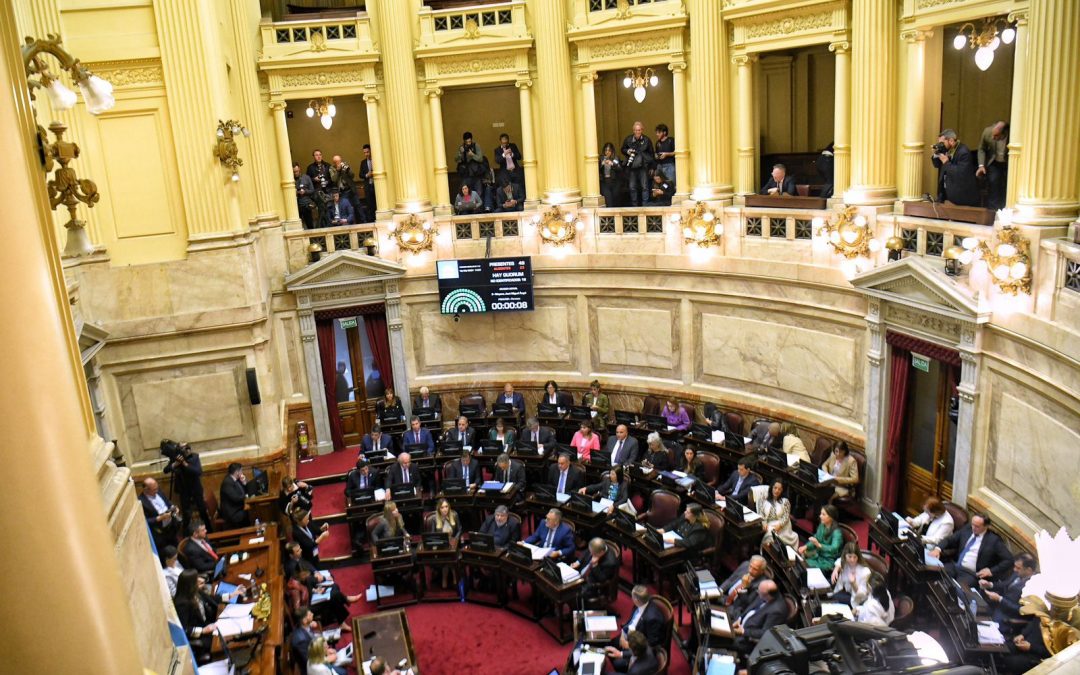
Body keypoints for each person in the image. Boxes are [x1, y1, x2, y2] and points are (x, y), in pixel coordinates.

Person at [929, 513, 1013, 586]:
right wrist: (938, 549)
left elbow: (1009, 560)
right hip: (955, 566)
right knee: (933, 575)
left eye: (977, 526)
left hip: (970, 574)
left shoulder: (993, 540)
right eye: (973, 524)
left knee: (958, 591)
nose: (973, 528)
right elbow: (950, 539)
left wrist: (991, 571)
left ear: (986, 526)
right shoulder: (968, 529)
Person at [162, 440, 211, 533]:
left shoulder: (194, 457)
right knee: (186, 514)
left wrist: (184, 463)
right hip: (184, 490)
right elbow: (165, 470)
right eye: (182, 448)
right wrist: (175, 464)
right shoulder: (175, 459)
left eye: (186, 447)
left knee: (202, 511)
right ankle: (187, 534)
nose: (186, 450)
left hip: (196, 489)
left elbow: (198, 472)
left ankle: (210, 531)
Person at [173, 568, 219, 661]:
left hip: (209, 624)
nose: (200, 580)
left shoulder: (195, 591)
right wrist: (203, 630)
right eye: (196, 579)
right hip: (202, 634)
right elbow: (184, 629)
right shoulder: (182, 604)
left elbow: (212, 599)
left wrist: (231, 595)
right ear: (190, 584)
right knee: (221, 642)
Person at [980, 552, 1036, 628]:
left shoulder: (1033, 586)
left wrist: (1000, 599)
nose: (1014, 569)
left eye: (1018, 568)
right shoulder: (1018, 573)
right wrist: (990, 584)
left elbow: (1021, 610)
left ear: (1029, 570)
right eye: (1015, 566)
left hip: (1008, 617)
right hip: (997, 606)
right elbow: (1006, 584)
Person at [731, 580, 787, 654]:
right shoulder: (765, 594)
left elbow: (765, 633)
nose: (757, 592)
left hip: (747, 641)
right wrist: (740, 619)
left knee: (719, 639)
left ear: (767, 595)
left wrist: (743, 631)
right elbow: (750, 608)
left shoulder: (777, 611)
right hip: (739, 626)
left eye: (759, 592)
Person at [932, 129, 979, 206]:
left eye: (942, 143)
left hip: (960, 194)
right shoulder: (946, 149)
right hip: (945, 190)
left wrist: (946, 162)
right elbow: (937, 165)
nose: (941, 145)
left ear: (951, 141)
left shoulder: (964, 152)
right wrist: (936, 154)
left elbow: (960, 173)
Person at [429, 498, 462, 588]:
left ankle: (447, 576)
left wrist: (455, 539)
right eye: (442, 507)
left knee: (451, 553)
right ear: (439, 509)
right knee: (447, 555)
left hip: (453, 544)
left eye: (446, 506)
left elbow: (459, 529)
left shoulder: (454, 515)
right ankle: (449, 575)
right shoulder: (435, 519)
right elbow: (433, 535)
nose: (445, 509)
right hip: (441, 545)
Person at [140, 477, 180, 550]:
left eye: (157, 488)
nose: (157, 490)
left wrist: (173, 507)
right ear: (146, 490)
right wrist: (160, 518)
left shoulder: (159, 492)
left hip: (171, 527)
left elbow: (167, 502)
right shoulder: (141, 502)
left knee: (176, 547)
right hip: (159, 533)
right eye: (154, 489)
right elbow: (144, 521)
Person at [800, 505, 843, 570]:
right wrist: (806, 546)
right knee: (801, 563)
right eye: (821, 513)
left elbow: (834, 548)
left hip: (828, 560)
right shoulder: (822, 525)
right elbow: (816, 538)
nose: (820, 516)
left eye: (823, 514)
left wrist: (819, 545)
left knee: (805, 566)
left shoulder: (837, 532)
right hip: (818, 554)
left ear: (831, 517)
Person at [976, 121, 1008, 210]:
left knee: (1007, 185)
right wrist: (981, 165)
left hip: (1008, 162)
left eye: (996, 136)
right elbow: (981, 149)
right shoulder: (987, 132)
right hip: (994, 162)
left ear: (1004, 133)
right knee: (993, 183)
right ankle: (992, 211)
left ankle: (1005, 209)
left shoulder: (1012, 135)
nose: (993, 138)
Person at [621, 121, 653, 206]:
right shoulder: (628, 139)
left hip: (643, 166)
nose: (637, 132)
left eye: (639, 130)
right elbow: (622, 149)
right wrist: (628, 151)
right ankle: (634, 206)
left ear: (642, 130)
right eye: (635, 130)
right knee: (632, 187)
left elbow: (651, 154)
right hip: (632, 167)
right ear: (633, 130)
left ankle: (645, 206)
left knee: (645, 187)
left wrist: (652, 167)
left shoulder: (647, 140)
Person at [758, 480, 798, 548]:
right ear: (771, 487)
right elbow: (760, 512)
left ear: (782, 490)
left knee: (772, 536)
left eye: (779, 489)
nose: (776, 491)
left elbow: (786, 516)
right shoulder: (763, 498)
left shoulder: (785, 501)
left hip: (782, 525)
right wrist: (763, 523)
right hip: (769, 524)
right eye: (775, 488)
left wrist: (780, 525)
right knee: (770, 537)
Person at [218, 462, 249, 528]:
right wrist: (246, 496)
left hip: (237, 508)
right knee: (251, 514)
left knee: (250, 512)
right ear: (237, 472)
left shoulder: (235, 479)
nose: (242, 472)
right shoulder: (227, 483)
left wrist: (244, 482)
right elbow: (236, 498)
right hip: (232, 513)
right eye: (241, 470)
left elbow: (242, 491)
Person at [455, 131, 486, 196]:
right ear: (464, 141)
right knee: (465, 193)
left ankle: (477, 205)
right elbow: (456, 160)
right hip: (465, 174)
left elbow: (480, 159)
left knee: (478, 193)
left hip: (476, 173)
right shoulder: (461, 147)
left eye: (470, 141)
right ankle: (468, 205)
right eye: (467, 142)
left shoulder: (476, 145)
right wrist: (460, 153)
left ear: (471, 140)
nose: (468, 143)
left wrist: (472, 155)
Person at [289, 606, 318, 673]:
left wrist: (309, 624)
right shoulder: (301, 641)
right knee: (343, 672)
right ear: (304, 620)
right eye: (310, 614)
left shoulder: (304, 626)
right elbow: (310, 662)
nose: (312, 614)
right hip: (313, 669)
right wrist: (327, 658)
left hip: (317, 653)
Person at [599, 142, 623, 207]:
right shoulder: (601, 158)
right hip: (605, 182)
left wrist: (612, 164)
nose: (607, 152)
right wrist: (602, 164)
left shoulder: (615, 158)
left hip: (614, 182)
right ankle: (610, 216)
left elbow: (620, 169)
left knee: (615, 198)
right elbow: (596, 170)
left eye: (609, 150)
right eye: (606, 150)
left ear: (612, 151)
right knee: (608, 200)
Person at [294, 163, 317, 229]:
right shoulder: (290, 179)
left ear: (299, 169)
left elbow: (312, 190)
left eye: (297, 171)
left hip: (306, 204)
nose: (296, 173)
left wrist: (305, 191)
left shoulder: (306, 177)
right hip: (296, 206)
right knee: (297, 227)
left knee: (310, 225)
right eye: (294, 172)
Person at [359, 144, 377, 223]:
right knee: (370, 206)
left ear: (371, 151)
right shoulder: (363, 162)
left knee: (377, 204)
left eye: (367, 152)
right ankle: (371, 221)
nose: (366, 154)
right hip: (368, 187)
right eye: (364, 152)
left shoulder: (376, 160)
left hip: (377, 186)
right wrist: (367, 175)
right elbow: (360, 175)